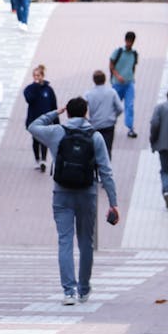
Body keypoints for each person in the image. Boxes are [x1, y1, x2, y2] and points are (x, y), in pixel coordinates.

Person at [28, 98, 119, 305]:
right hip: (87, 193)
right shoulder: (95, 137)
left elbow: (32, 126)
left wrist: (54, 112)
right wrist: (113, 202)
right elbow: (106, 171)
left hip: (61, 193)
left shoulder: (56, 132)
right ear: (86, 112)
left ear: (67, 112)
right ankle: (84, 289)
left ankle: (68, 291)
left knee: (65, 241)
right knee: (86, 242)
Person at [24, 65, 58, 172]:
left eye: (38, 75)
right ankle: (37, 159)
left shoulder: (49, 90)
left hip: (46, 120)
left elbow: (53, 105)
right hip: (33, 119)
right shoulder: (29, 89)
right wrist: (36, 87)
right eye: (34, 75)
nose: (36, 78)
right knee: (35, 140)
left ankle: (43, 159)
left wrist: (56, 120)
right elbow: (29, 99)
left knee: (44, 139)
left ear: (42, 76)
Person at [83, 70, 123, 157]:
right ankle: (106, 167)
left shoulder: (88, 94)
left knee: (95, 148)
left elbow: (82, 108)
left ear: (94, 80)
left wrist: (86, 120)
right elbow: (120, 108)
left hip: (94, 125)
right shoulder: (112, 92)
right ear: (105, 79)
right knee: (107, 148)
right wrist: (114, 116)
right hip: (109, 125)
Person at [109, 32, 139, 139]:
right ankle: (110, 123)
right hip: (117, 84)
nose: (129, 43)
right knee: (114, 106)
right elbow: (111, 65)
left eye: (131, 41)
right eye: (128, 41)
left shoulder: (134, 54)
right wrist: (117, 76)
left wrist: (131, 77)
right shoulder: (119, 51)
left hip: (129, 83)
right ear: (125, 40)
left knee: (129, 105)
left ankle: (130, 128)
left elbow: (133, 66)